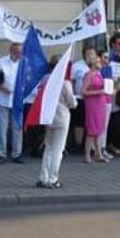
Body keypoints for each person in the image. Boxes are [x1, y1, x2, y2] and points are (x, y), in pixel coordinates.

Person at [37, 58, 76, 188]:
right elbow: (72, 102)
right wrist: (73, 102)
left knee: (48, 147)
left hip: (48, 115)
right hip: (62, 116)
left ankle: (43, 177)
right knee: (58, 149)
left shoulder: (45, 79)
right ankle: (53, 178)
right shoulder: (65, 83)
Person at [0, 42, 24, 164]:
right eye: (17, 52)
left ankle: (17, 154)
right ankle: (1, 154)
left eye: (20, 52)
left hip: (17, 100)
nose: (19, 54)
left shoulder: (24, 63)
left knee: (17, 127)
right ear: (11, 51)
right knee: (2, 127)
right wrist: (2, 88)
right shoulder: (2, 61)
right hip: (2, 99)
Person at [81, 51, 108, 164]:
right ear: (93, 64)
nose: (100, 62)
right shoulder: (89, 75)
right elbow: (83, 91)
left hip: (101, 102)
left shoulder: (99, 74)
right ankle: (87, 155)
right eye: (97, 61)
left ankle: (98, 153)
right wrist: (99, 91)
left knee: (99, 129)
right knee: (92, 129)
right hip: (93, 103)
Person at [70, 46, 97, 153]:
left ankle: (91, 146)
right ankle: (78, 144)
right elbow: (72, 81)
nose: (91, 56)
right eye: (88, 53)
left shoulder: (97, 66)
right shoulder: (77, 66)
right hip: (80, 98)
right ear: (84, 55)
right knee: (79, 122)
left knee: (92, 122)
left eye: (93, 53)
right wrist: (72, 95)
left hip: (94, 99)